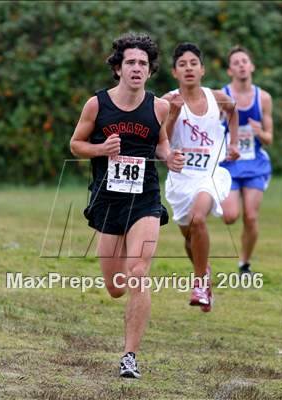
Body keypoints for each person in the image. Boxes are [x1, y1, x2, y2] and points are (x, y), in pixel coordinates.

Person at [70, 33, 184, 379]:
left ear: (150, 72)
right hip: (107, 200)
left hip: (145, 199)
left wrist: (171, 157)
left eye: (143, 64)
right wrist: (101, 149)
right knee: (115, 286)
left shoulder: (159, 107)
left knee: (137, 272)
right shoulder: (97, 105)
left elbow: (160, 144)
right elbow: (76, 144)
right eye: (131, 62)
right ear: (118, 68)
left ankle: (129, 356)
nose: (137, 68)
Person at [163, 43, 239, 312]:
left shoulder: (216, 97)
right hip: (181, 179)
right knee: (189, 237)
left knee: (198, 219)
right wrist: (172, 114)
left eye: (193, 63)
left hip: (210, 174)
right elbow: (161, 139)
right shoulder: (168, 100)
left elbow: (233, 110)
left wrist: (234, 143)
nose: (188, 68)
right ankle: (203, 273)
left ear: (202, 69)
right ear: (175, 72)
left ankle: (198, 283)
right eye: (182, 64)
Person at [220, 46, 273, 276]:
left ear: (251, 66)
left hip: (255, 165)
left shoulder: (263, 98)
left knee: (251, 217)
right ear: (230, 70)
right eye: (236, 62)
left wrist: (259, 132)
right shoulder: (222, 96)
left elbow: (269, 138)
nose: (241, 65)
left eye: (245, 61)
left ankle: (244, 264)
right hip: (229, 164)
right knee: (231, 217)